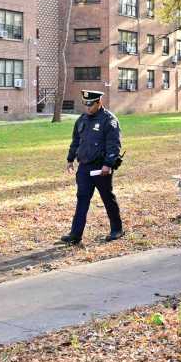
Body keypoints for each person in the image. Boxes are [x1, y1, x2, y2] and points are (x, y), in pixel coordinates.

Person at [60, 90, 124, 245]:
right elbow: (76, 141)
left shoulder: (109, 120)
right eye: (85, 104)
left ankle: (117, 229)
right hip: (84, 167)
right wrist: (70, 159)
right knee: (82, 199)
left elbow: (113, 145)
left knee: (107, 198)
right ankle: (75, 234)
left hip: (101, 168)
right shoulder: (82, 120)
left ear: (98, 103)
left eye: (91, 104)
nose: (88, 108)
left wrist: (108, 164)